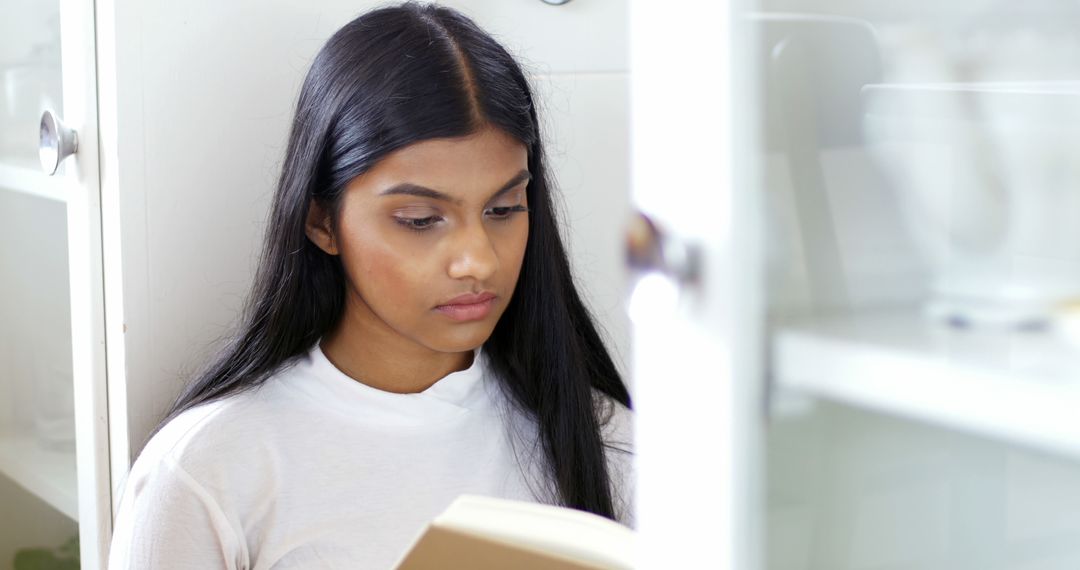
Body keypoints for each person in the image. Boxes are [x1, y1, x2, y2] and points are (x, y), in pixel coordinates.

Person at [106, 2, 634, 568]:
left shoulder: (606, 441)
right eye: (420, 220)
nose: (478, 261)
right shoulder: (206, 470)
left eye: (503, 209)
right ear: (322, 222)